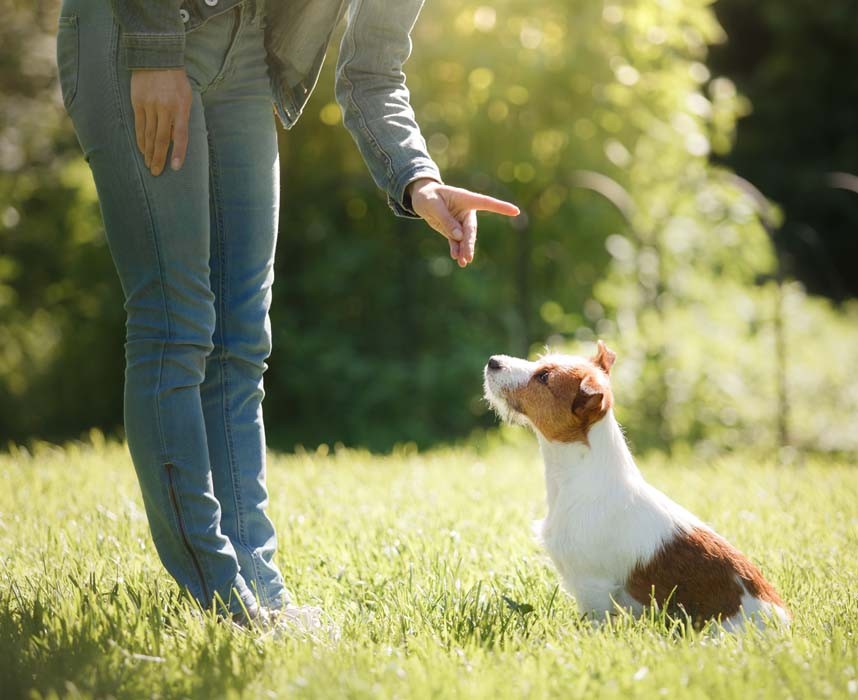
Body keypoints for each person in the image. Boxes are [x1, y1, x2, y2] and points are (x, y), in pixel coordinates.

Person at [55, 0, 519, 625]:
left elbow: (373, 72)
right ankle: (219, 594)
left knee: (242, 338)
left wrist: (418, 178)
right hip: (137, 29)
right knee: (177, 324)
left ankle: (259, 590)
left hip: (243, 49)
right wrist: (155, 48)